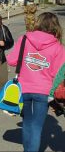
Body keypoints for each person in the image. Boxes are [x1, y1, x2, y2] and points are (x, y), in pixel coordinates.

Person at [7, 12, 65, 152]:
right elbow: (57, 74)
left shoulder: (24, 39)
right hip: (44, 91)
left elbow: (11, 60)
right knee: (37, 126)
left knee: (27, 123)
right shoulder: (58, 47)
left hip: (23, 88)